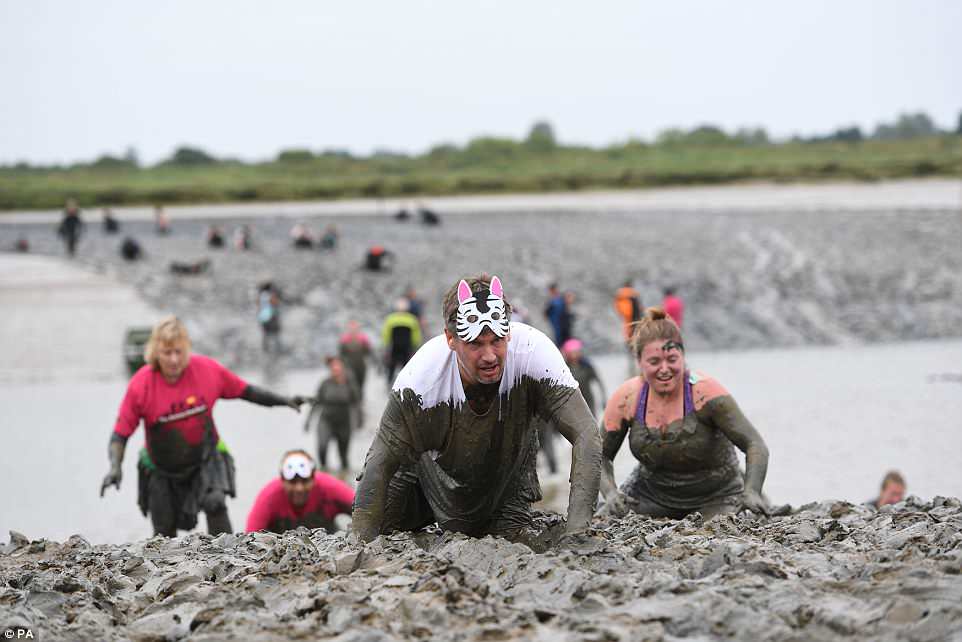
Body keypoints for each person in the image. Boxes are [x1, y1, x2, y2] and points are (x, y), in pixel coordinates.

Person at [352, 274, 602, 543]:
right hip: (424, 477)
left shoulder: (534, 352)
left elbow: (587, 434)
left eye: (496, 340)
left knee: (510, 542)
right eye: (475, 344)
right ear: (450, 338)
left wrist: (577, 534)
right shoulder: (421, 380)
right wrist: (359, 547)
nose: (489, 356)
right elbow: (378, 463)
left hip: (506, 480)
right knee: (384, 529)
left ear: (508, 331)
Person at [99, 316, 308, 537]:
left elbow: (246, 391)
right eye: (166, 353)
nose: (173, 360)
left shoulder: (207, 371)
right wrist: (115, 466)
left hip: (206, 459)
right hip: (161, 467)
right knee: (163, 530)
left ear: (187, 350)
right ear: (154, 352)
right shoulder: (141, 384)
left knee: (215, 502)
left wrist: (284, 400)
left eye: (179, 352)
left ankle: (230, 556)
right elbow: (120, 435)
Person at [599, 307, 770, 519]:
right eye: (654, 362)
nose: (664, 369)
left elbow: (755, 444)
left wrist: (752, 491)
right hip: (648, 496)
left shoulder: (705, 393)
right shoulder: (627, 398)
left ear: (683, 357)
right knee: (603, 521)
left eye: (672, 359)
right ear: (640, 362)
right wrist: (610, 493)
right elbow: (599, 455)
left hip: (717, 496)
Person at [246, 450, 355, 534]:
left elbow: (364, 510)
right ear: (282, 481)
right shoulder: (269, 497)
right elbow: (249, 536)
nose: (299, 488)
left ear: (313, 478)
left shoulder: (331, 488)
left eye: (305, 481)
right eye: (292, 482)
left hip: (327, 545)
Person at [304, 357, 360, 472]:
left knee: (343, 456)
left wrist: (359, 420)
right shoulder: (325, 383)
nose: (336, 369)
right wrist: (308, 421)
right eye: (333, 367)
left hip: (343, 423)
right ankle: (323, 471)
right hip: (326, 420)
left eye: (338, 366)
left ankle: (345, 479)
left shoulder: (349, 383)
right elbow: (316, 402)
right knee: (322, 447)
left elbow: (357, 402)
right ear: (330, 369)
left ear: (343, 368)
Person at [380, 299, 422, 385]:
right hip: (407, 347)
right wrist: (415, 344)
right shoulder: (412, 319)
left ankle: (389, 382)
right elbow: (416, 334)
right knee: (406, 366)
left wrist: (386, 344)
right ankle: (406, 384)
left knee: (392, 365)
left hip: (394, 347)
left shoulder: (390, 319)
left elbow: (385, 333)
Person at [561, 339, 605, 418]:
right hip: (570, 401)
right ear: (567, 354)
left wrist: (603, 398)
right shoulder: (563, 367)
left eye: (577, 352)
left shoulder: (586, 366)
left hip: (587, 399)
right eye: (572, 353)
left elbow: (598, 382)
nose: (575, 355)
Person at [338, 321, 373, 396]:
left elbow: (368, 352)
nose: (353, 331)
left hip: (361, 364)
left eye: (355, 329)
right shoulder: (345, 339)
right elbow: (341, 354)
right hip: (349, 365)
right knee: (351, 382)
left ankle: (359, 398)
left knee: (361, 382)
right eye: (352, 329)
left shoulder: (363, 338)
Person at [258, 283, 282, 353]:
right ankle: (277, 348)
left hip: (263, 316)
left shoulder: (261, 296)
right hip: (271, 317)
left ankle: (265, 348)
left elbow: (259, 305)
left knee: (265, 333)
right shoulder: (270, 295)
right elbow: (275, 303)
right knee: (275, 333)